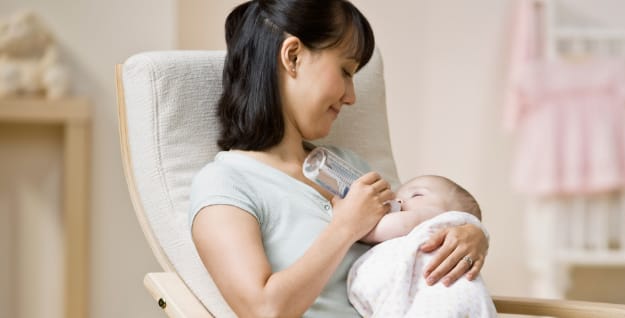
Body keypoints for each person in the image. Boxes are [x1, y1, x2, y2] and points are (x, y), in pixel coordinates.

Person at [188, 1, 489, 317]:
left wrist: (470, 233)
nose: (352, 96)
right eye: (345, 71)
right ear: (292, 57)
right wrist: (345, 227)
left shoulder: (352, 166)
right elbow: (264, 310)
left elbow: (418, 234)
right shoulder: (225, 184)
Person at [348, 175, 497, 317]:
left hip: (445, 300)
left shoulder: (438, 217)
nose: (398, 200)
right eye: (396, 197)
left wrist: (355, 223)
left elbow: (379, 227)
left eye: (416, 195)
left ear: (452, 212)